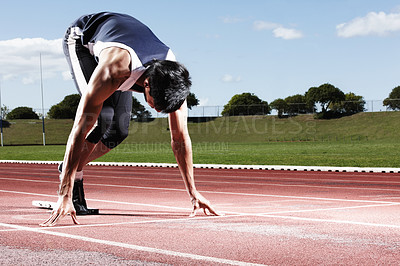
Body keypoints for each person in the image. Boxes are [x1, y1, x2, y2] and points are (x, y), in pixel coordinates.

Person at [40, 12, 220, 226]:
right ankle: (72, 180)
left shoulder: (173, 80)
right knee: (100, 120)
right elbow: (79, 128)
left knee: (118, 131)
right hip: (81, 39)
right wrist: (64, 193)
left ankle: (69, 166)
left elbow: (180, 139)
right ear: (146, 85)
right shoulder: (114, 70)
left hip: (130, 49)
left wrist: (193, 192)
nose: (156, 111)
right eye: (156, 104)